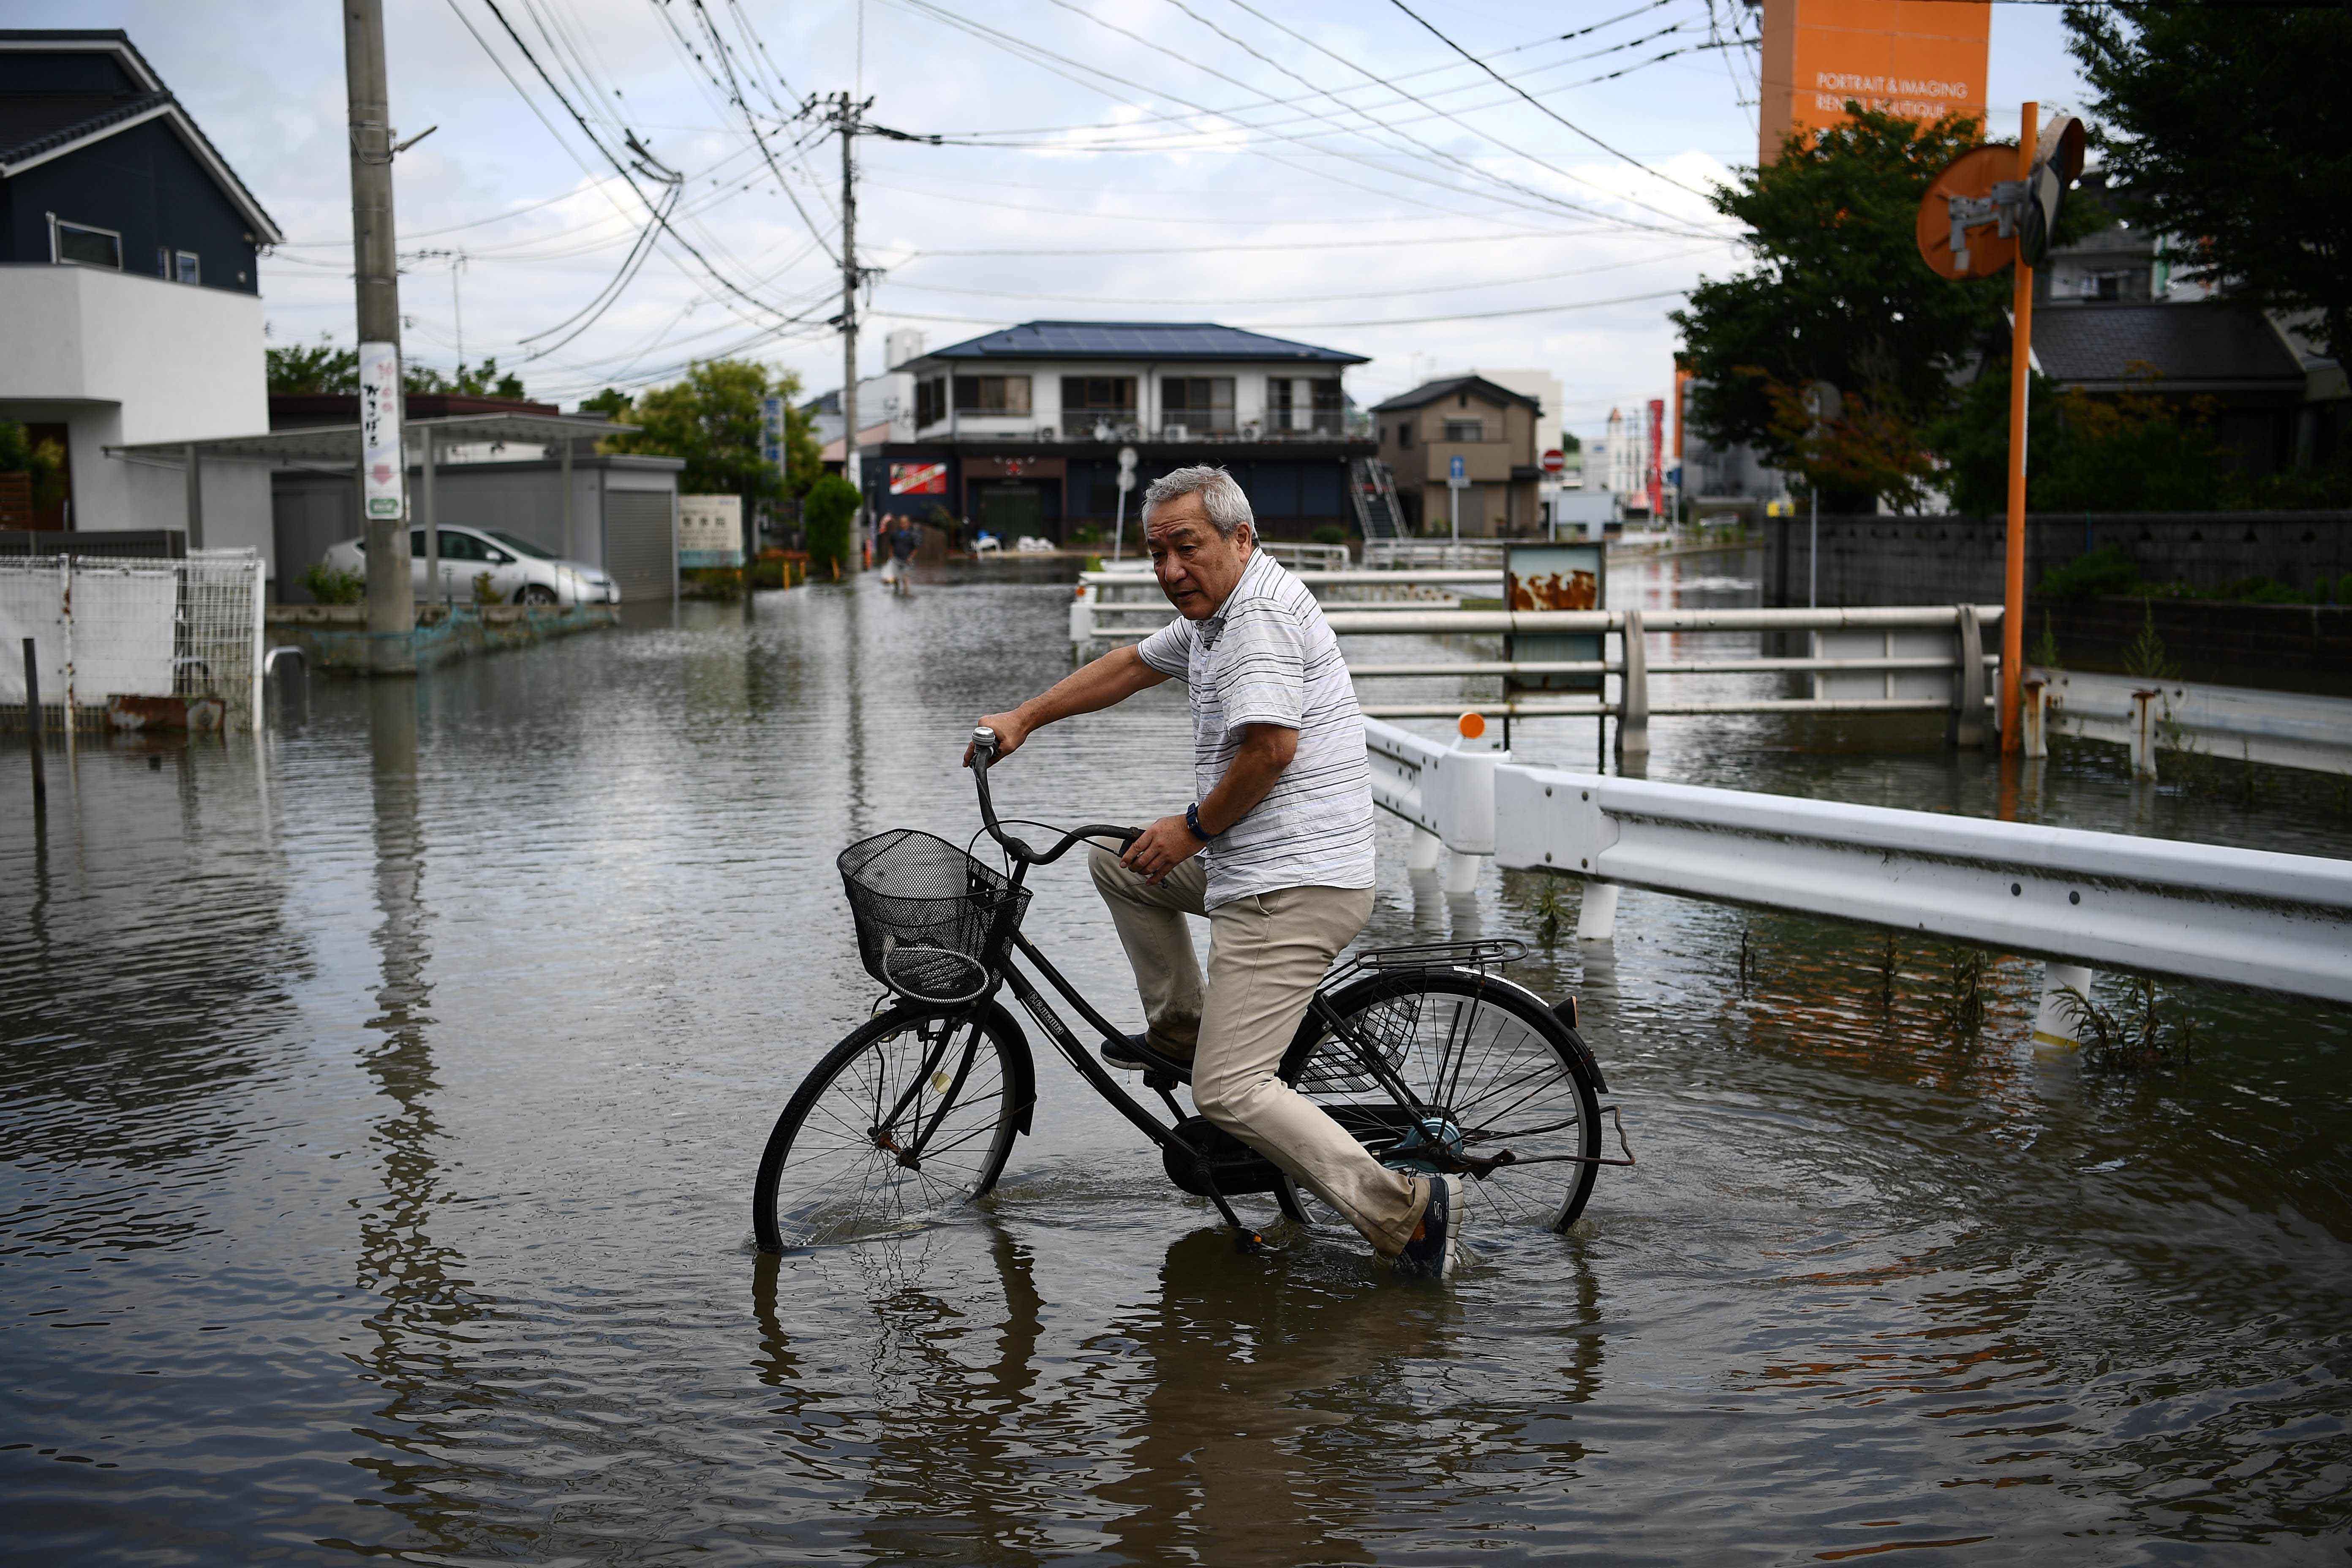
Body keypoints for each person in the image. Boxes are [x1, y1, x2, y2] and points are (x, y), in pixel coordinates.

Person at [968, 465, 1462, 1279]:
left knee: (1227, 1094)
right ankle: (1183, 1028)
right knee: (1121, 862)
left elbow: (1270, 751)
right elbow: (1130, 663)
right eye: (1156, 553)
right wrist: (1025, 717)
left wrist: (1192, 829)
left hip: (1294, 881)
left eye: (1185, 548)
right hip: (1261, 858)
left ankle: (1403, 1213)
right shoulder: (1215, 613)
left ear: (1240, 538)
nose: (1169, 571)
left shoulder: (1256, 620)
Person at [880, 518, 920, 594]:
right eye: (901, 523)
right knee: (896, 579)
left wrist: (911, 557)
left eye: (905, 523)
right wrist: (891, 556)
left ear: (908, 523)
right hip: (896, 559)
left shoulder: (912, 535)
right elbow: (891, 546)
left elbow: (915, 549)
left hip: (907, 560)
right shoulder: (895, 534)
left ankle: (906, 593)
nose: (903, 525)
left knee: (905, 578)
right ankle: (897, 592)